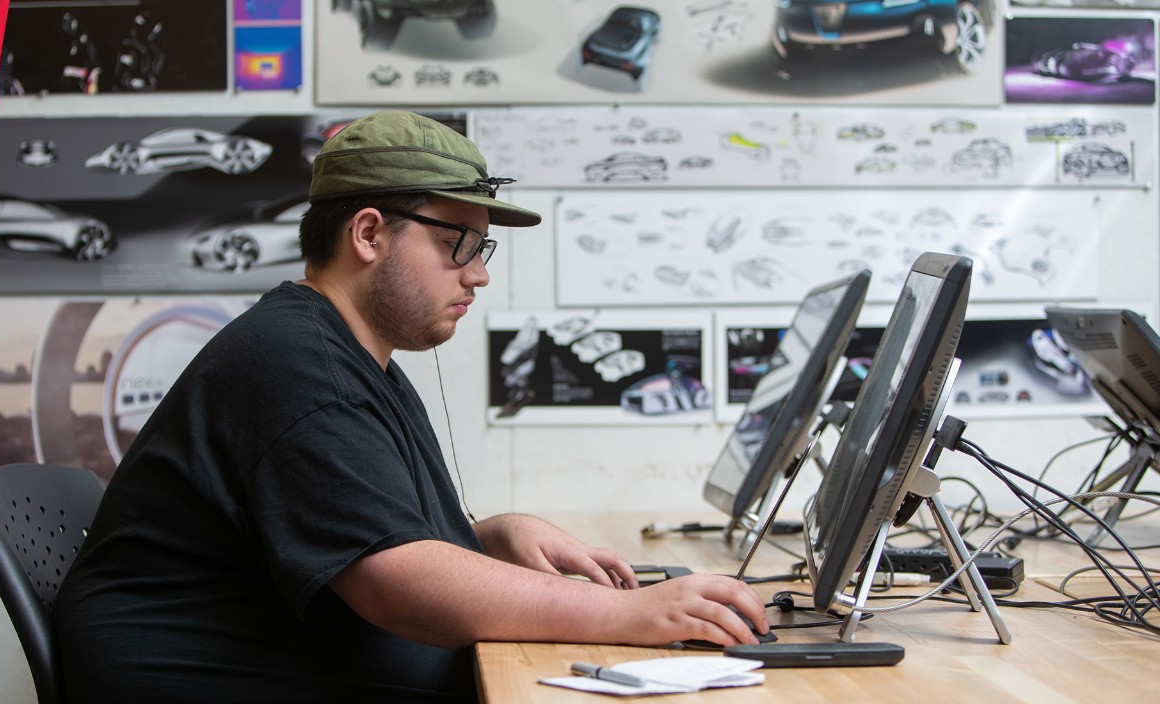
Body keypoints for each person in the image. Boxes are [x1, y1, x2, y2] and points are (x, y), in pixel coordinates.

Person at [52, 110, 766, 703]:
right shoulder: (295, 367)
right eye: (457, 242)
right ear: (368, 234)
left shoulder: (347, 357)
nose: (479, 273)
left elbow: (364, 539)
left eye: (480, 246)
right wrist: (627, 613)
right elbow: (397, 585)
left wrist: (490, 536)